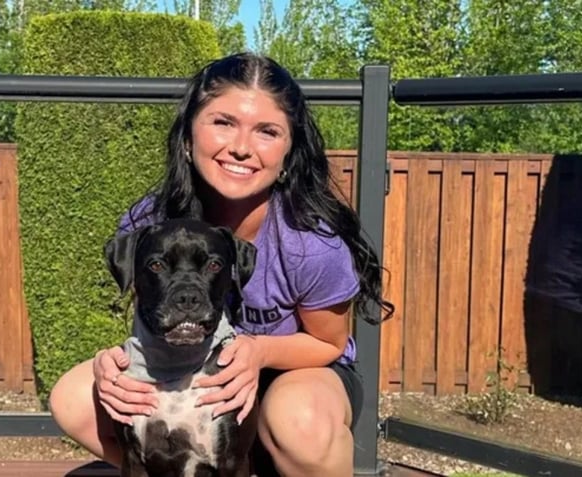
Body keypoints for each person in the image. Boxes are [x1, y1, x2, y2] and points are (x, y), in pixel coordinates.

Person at [48, 51, 394, 477]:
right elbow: (152, 316)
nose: (242, 148)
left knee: (299, 421)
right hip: (192, 367)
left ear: (290, 151)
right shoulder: (152, 222)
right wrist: (114, 364)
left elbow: (329, 345)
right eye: (223, 122)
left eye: (267, 131)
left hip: (298, 373)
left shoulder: (309, 242)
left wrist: (257, 351)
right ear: (189, 135)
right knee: (75, 396)